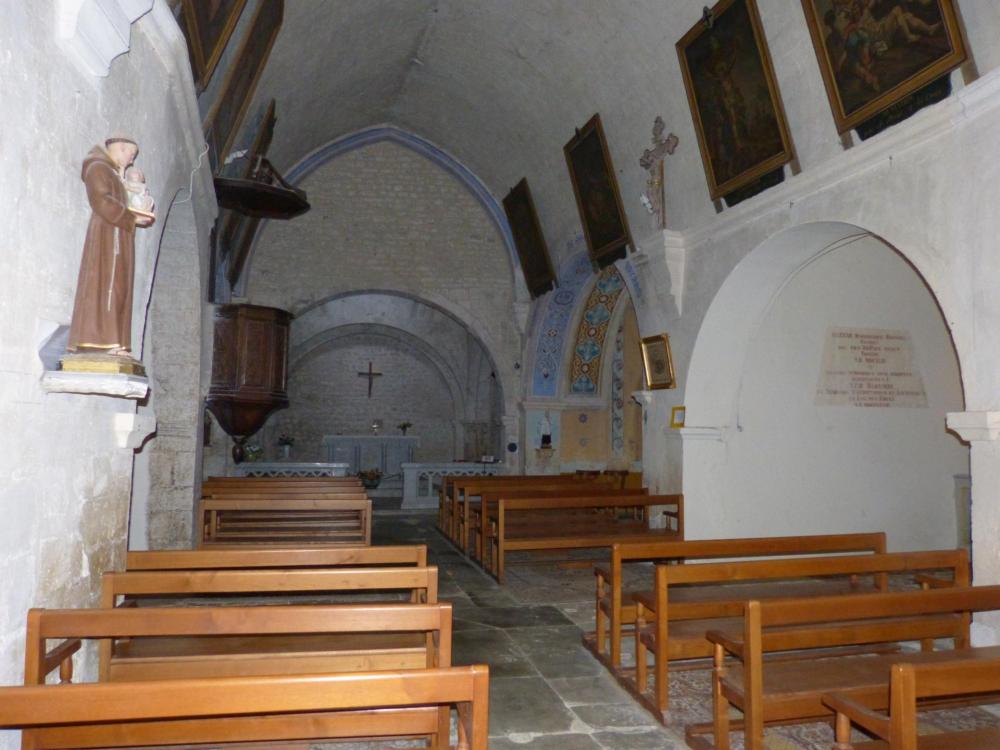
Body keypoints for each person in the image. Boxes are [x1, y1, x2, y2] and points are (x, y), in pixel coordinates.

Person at [67, 138, 154, 358]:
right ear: (120, 149)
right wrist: (131, 217)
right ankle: (101, 340)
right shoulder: (97, 167)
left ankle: (113, 341)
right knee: (107, 286)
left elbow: (127, 203)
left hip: (117, 235)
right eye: (131, 155)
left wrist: (138, 212)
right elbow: (101, 201)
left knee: (118, 288)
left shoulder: (115, 174)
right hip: (107, 237)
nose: (132, 160)